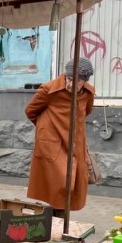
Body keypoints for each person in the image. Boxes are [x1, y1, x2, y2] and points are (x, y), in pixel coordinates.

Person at [25, 58, 96, 216]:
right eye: (69, 79)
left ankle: (60, 223)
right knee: (57, 183)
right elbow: (30, 111)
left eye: (77, 81)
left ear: (84, 82)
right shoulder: (49, 90)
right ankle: (54, 223)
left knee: (71, 185)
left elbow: (86, 112)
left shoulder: (88, 93)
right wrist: (47, 129)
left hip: (75, 144)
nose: (71, 84)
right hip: (52, 144)